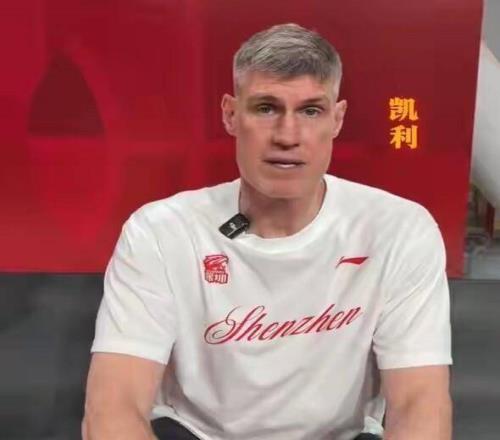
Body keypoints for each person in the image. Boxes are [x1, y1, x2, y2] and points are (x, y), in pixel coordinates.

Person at [82, 23, 453, 440]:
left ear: (337, 119)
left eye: (310, 111)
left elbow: (420, 403)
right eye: (266, 108)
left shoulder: (399, 229)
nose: (287, 136)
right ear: (230, 114)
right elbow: (113, 406)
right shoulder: (159, 231)